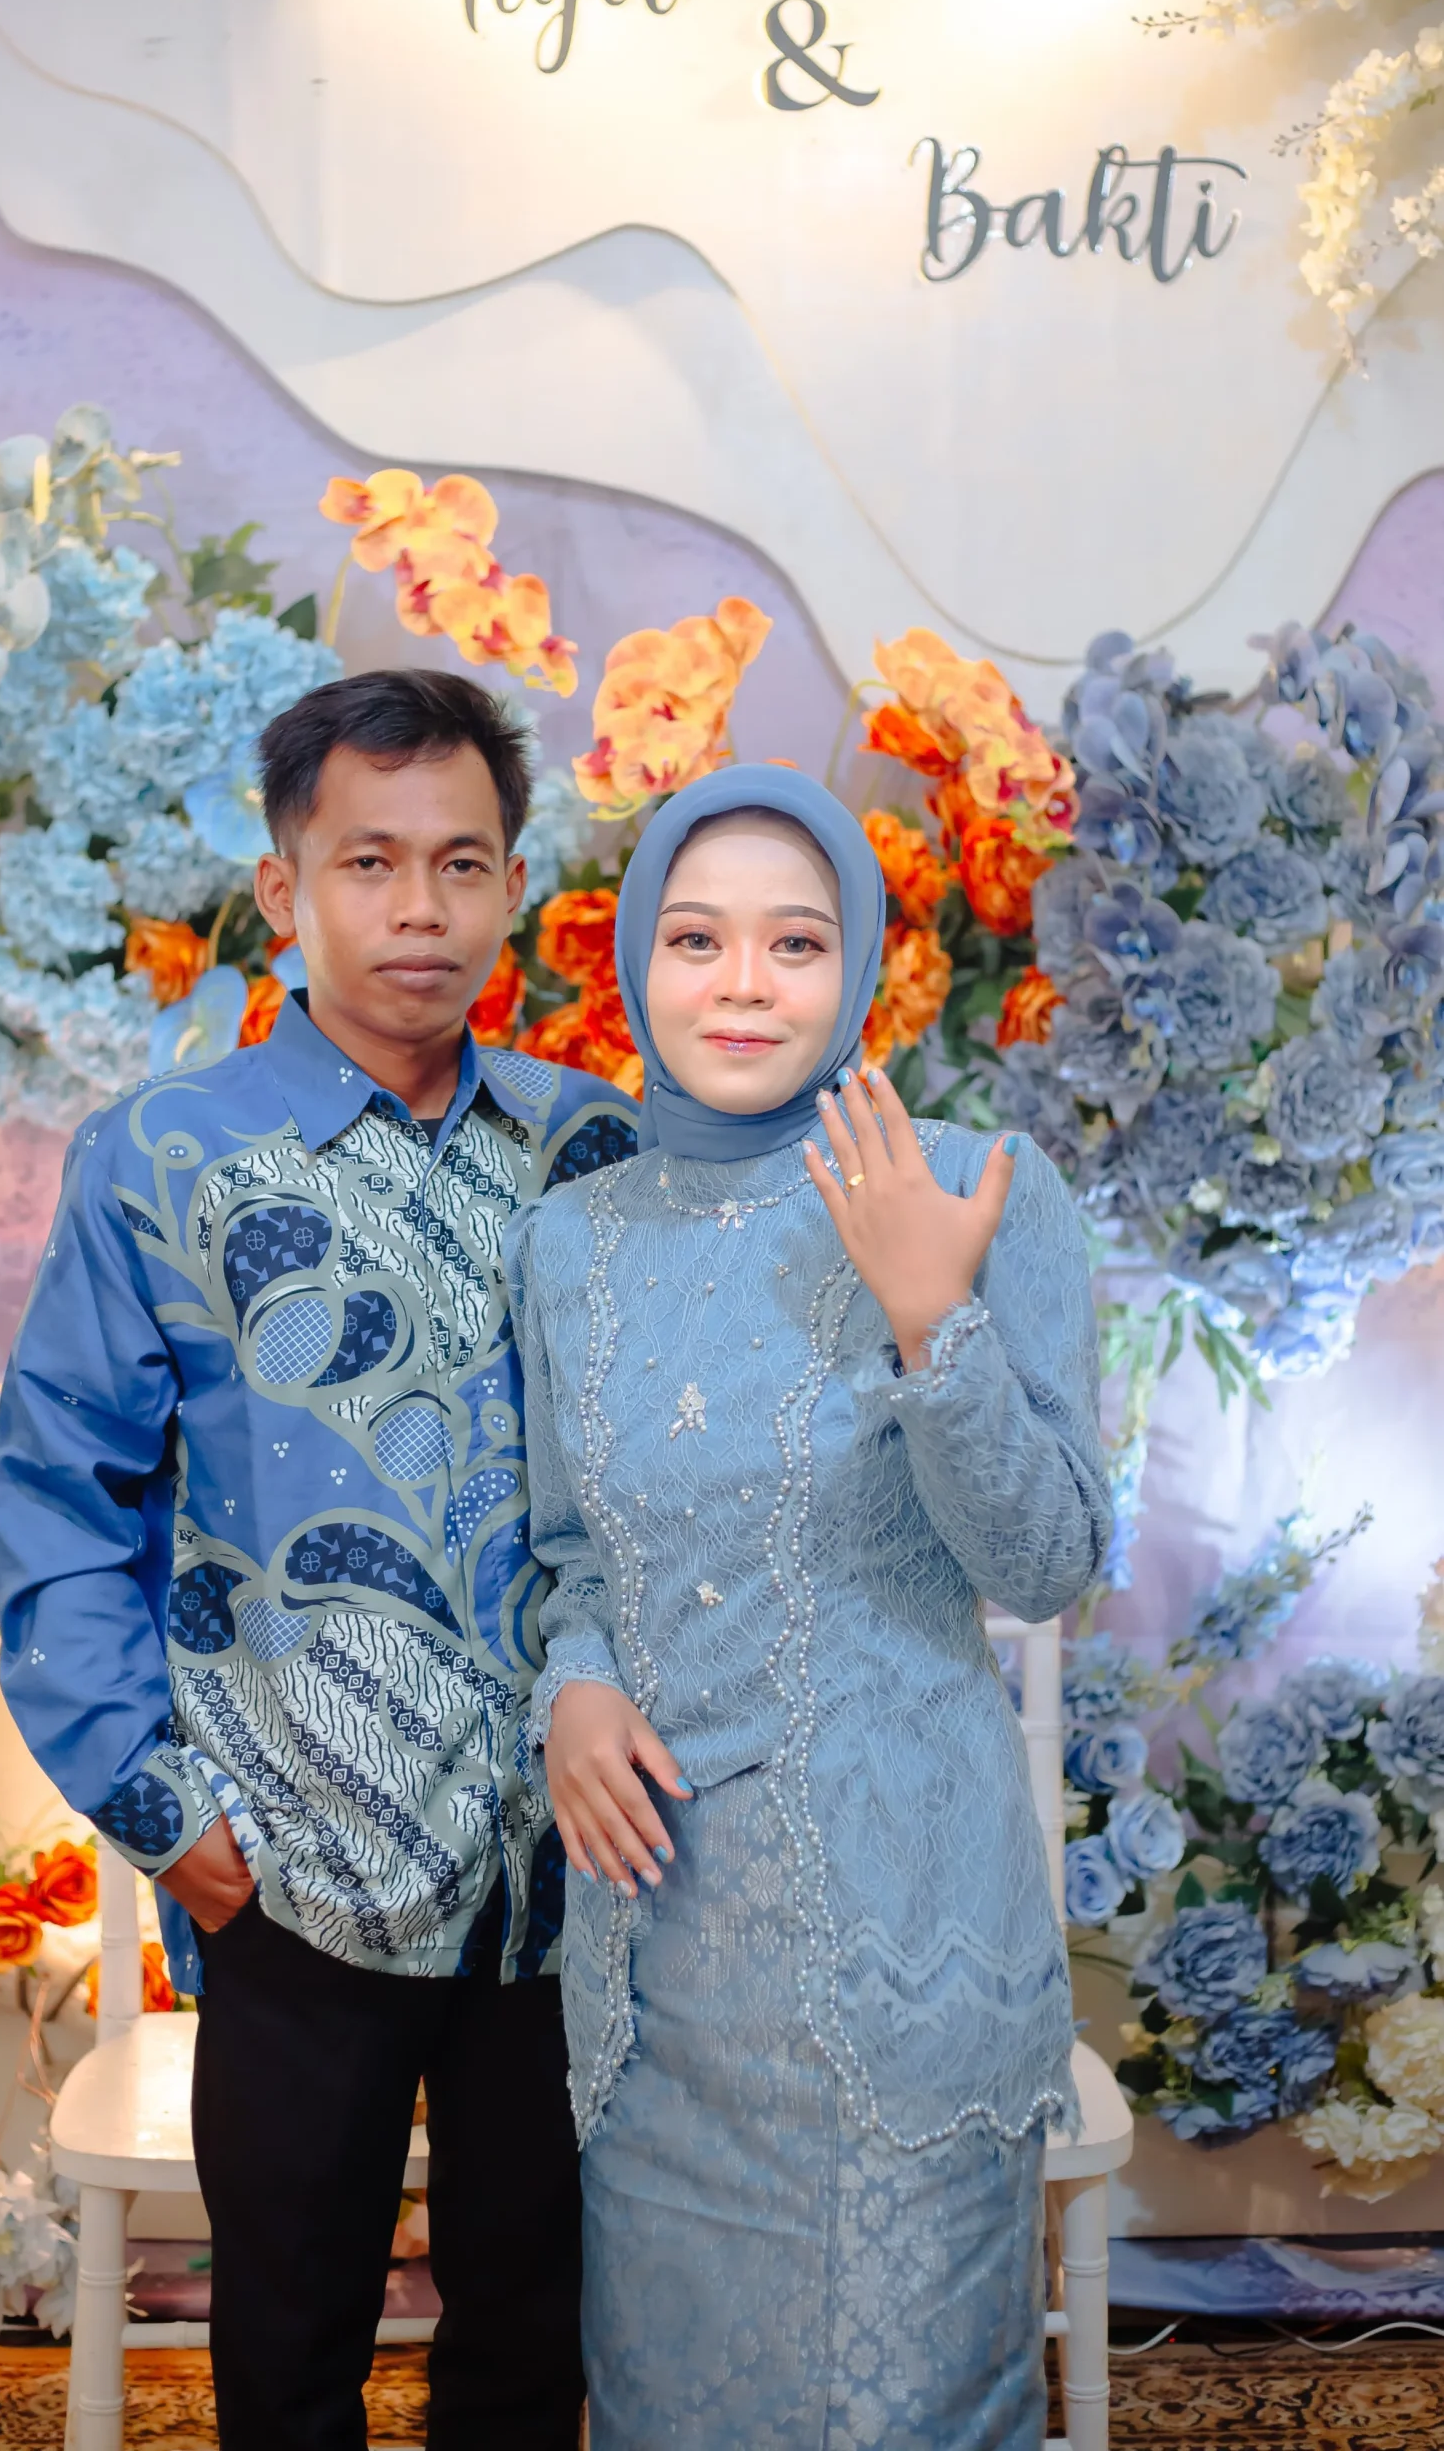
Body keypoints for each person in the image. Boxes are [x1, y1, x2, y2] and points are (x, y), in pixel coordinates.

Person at [0, 669, 638, 2451]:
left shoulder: (593, 1154)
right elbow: (62, 1496)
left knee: (535, 2347)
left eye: (460, 862)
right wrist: (167, 1817)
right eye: (369, 861)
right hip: (285, 1867)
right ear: (285, 890)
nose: (418, 906)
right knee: (286, 2358)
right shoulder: (163, 1158)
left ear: (515, 886)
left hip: (569, 1871)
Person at [504, 765, 1111, 2450]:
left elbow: (1047, 1562)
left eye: (794, 942)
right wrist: (573, 1684)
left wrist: (933, 1320)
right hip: (660, 1966)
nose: (743, 986)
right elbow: (571, 1557)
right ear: (633, 958)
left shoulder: (978, 1184)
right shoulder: (570, 1242)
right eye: (696, 940)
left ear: (858, 970)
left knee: (909, 2406)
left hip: (903, 1955)